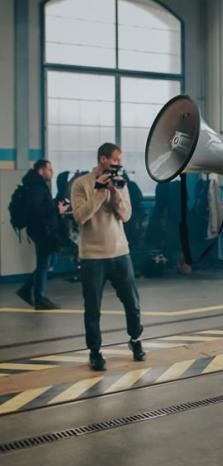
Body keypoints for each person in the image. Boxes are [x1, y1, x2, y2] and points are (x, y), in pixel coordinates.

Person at [71, 143, 145, 371]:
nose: (118, 164)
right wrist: (100, 192)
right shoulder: (81, 184)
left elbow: (126, 214)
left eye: (120, 161)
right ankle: (95, 351)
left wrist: (114, 193)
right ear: (102, 159)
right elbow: (80, 217)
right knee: (92, 308)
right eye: (114, 160)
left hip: (120, 252)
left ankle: (135, 340)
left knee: (132, 303)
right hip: (92, 256)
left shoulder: (120, 182)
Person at [15, 159, 68, 309]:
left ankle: (26, 290)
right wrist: (57, 210)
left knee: (49, 262)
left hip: (42, 229)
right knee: (44, 263)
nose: (52, 172)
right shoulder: (37, 187)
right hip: (42, 231)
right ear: (41, 171)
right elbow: (37, 211)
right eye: (49, 169)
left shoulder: (37, 185)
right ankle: (40, 298)